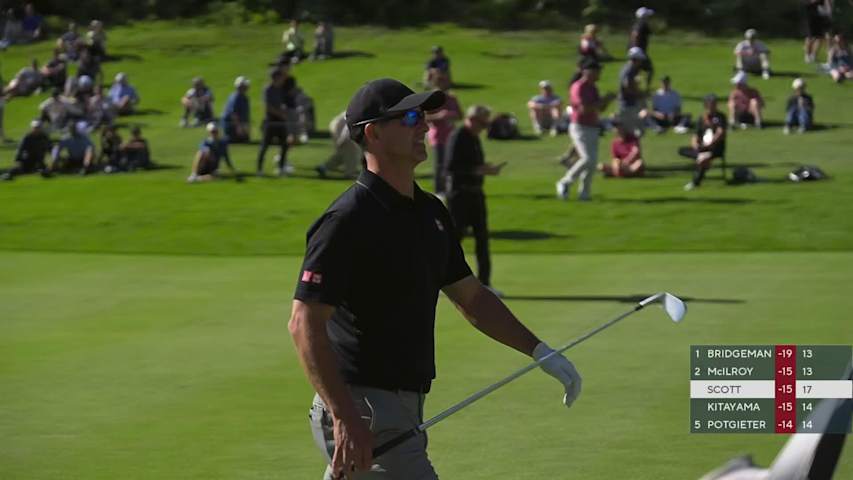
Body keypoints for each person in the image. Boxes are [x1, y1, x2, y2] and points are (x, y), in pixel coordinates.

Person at [290, 78, 582, 480]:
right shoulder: (346, 221)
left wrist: (539, 351)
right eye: (410, 117)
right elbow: (304, 323)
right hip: (364, 410)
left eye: (424, 117)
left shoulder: (431, 214)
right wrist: (344, 417)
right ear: (372, 133)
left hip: (401, 406)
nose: (423, 127)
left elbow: (472, 298)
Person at [445, 104, 505, 290]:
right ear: (471, 119)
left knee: (482, 239)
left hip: (476, 194)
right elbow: (450, 167)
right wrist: (479, 169)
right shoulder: (458, 137)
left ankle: (485, 283)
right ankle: (439, 279)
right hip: (459, 195)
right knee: (455, 240)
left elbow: (475, 163)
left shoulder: (474, 139)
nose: (484, 128)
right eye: (482, 123)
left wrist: (486, 168)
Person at [556, 58, 615, 201]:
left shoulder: (593, 87)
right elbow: (584, 109)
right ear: (587, 72)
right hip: (580, 127)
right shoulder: (578, 87)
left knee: (592, 163)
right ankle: (565, 182)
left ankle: (585, 193)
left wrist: (607, 100)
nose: (599, 74)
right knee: (587, 159)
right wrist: (602, 101)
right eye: (597, 71)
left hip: (592, 127)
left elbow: (599, 109)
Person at [679, 94, 727, 191]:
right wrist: (695, 144)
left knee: (703, 158)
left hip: (716, 147)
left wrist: (711, 143)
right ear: (706, 105)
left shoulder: (721, 117)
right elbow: (696, 135)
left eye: (714, 103)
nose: (713, 105)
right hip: (702, 147)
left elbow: (720, 133)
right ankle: (701, 157)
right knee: (682, 150)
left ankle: (696, 182)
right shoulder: (702, 118)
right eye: (710, 103)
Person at [426, 72, 461, 195]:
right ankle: (439, 190)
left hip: (451, 135)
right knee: (440, 163)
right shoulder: (431, 99)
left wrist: (452, 115)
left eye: (445, 81)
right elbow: (424, 117)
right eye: (441, 81)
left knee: (451, 163)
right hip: (437, 136)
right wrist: (439, 116)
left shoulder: (452, 98)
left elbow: (460, 115)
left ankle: (450, 187)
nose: (444, 84)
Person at [257, 69, 292, 176]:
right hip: (271, 121)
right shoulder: (268, 89)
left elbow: (281, 104)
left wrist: (284, 111)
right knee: (265, 145)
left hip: (281, 121)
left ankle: (281, 168)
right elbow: (268, 107)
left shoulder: (280, 90)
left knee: (284, 145)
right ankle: (260, 169)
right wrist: (281, 114)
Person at [315, 111, 362, 179]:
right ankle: (350, 173)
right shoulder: (361, 114)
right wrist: (341, 140)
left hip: (339, 125)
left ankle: (323, 167)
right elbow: (347, 128)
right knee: (351, 150)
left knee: (343, 152)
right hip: (340, 127)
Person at [616, 47, 648, 135]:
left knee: (634, 129)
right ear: (635, 59)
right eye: (640, 60)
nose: (641, 62)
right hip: (627, 104)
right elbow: (627, 87)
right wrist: (639, 94)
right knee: (628, 131)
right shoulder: (629, 70)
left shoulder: (630, 69)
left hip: (630, 103)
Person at [628, 7, 654, 86]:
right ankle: (646, 88)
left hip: (635, 51)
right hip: (639, 52)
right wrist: (637, 49)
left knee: (635, 71)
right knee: (650, 70)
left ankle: (635, 87)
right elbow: (636, 35)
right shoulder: (642, 25)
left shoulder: (636, 24)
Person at [222, 76, 251, 143]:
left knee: (246, 139)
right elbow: (233, 114)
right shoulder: (235, 98)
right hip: (232, 125)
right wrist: (239, 127)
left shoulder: (245, 98)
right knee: (236, 140)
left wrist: (246, 127)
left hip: (240, 123)